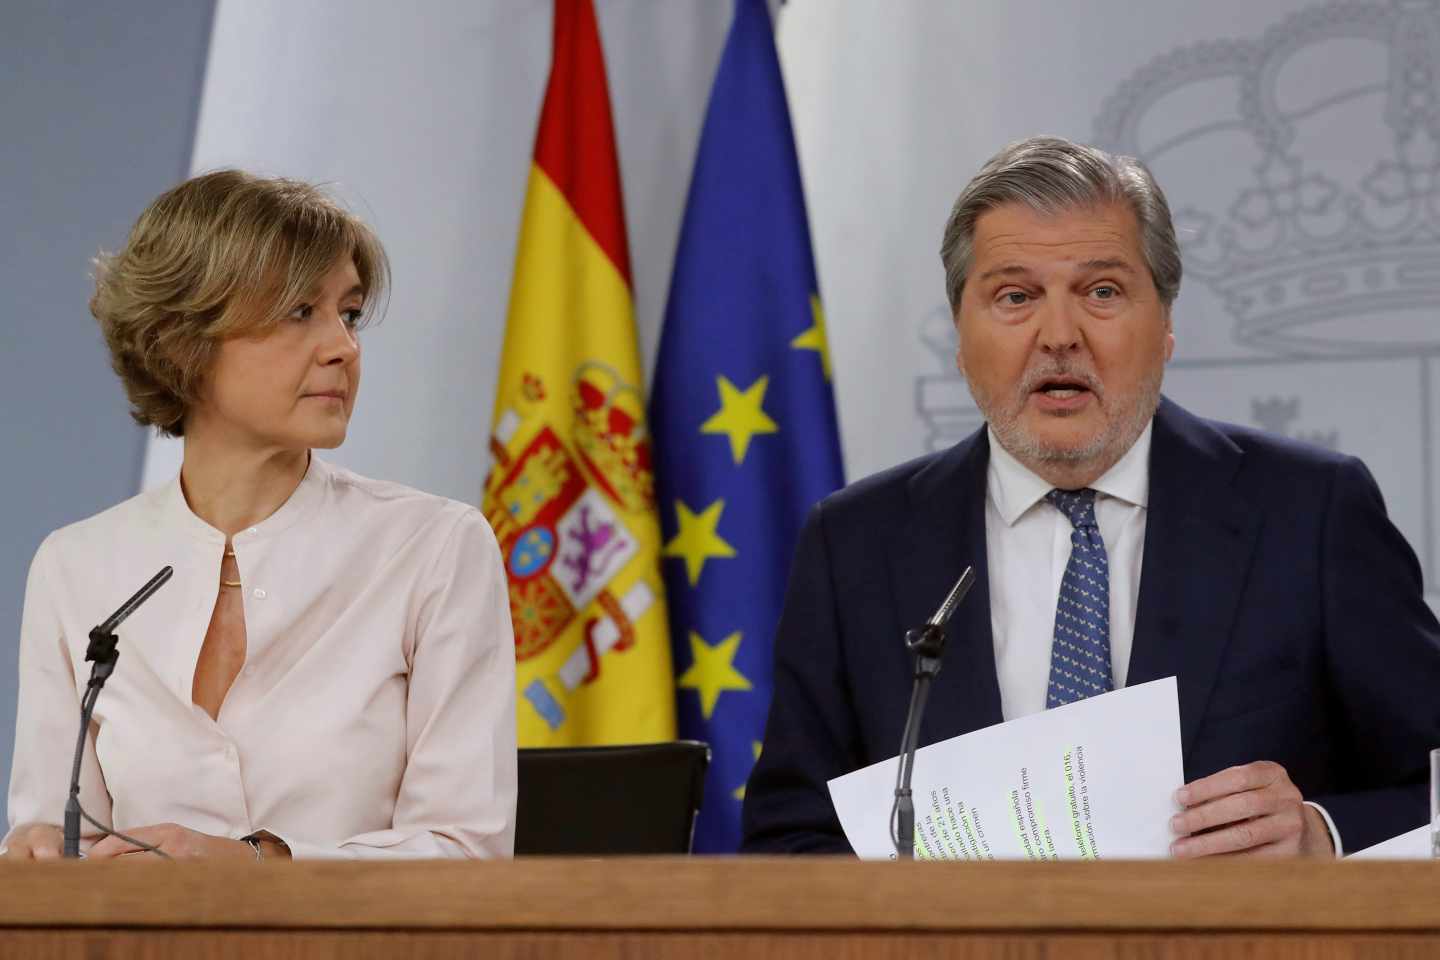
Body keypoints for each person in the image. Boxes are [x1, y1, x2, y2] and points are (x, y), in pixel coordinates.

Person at [741, 136, 1440, 858]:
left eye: (1102, 291)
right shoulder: (856, 543)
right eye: (1015, 297)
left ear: (1165, 323)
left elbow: (1431, 781)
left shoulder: (1309, 513)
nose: (1059, 337)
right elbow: (785, 838)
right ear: (959, 333)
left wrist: (1320, 837)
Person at [4, 171, 516, 860]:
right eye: (301, 311)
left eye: (351, 313)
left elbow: (468, 853)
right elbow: (58, 833)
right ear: (183, 339)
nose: (344, 347)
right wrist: (42, 850)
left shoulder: (434, 549)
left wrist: (258, 866)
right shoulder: (77, 567)